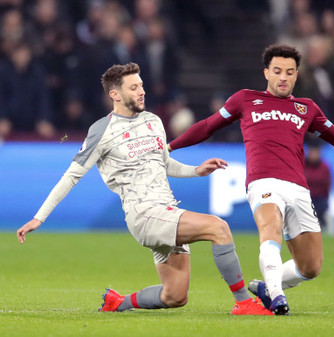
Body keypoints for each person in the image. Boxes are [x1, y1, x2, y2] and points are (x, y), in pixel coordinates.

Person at [168, 44, 334, 315]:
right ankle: (277, 297)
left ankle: (267, 286)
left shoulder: (306, 108)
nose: (283, 77)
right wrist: (171, 146)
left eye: (290, 72)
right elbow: (207, 126)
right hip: (263, 182)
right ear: (266, 73)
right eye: (277, 71)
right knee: (270, 230)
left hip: (298, 187)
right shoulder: (244, 100)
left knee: (311, 266)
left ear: (297, 76)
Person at [16, 62, 272, 316]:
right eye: (133, 87)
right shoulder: (101, 130)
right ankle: (244, 303)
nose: (142, 91)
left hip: (167, 209)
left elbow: (162, 163)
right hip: (144, 214)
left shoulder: (153, 121)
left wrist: (196, 170)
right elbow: (72, 176)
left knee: (174, 296)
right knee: (219, 228)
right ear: (115, 95)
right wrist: (40, 217)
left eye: (141, 85)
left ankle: (117, 302)